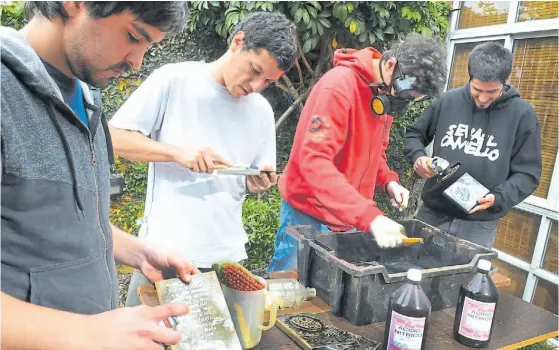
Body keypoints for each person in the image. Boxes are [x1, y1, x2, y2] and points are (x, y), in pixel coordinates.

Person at [1, 2, 201, 348]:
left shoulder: (86, 94)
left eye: (148, 46)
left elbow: (49, 216)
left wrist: (136, 251)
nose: (137, 61)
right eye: (133, 36)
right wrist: (86, 333)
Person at [108, 12, 298, 306]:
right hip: (165, 253)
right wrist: (178, 152)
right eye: (254, 70)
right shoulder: (176, 80)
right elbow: (114, 137)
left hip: (227, 257)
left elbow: (244, 182)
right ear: (238, 42)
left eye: (268, 81)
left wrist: (256, 182)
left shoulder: (260, 111)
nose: (256, 85)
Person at [266, 33, 448, 272]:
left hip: (347, 217)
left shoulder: (384, 95)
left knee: (327, 297)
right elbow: (313, 163)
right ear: (392, 65)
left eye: (413, 97)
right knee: (287, 290)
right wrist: (369, 217)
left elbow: (375, 153)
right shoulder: (339, 87)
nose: (404, 99)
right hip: (308, 214)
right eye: (404, 90)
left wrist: (388, 183)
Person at [404, 42, 542, 248]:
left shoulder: (522, 116)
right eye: (477, 90)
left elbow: (528, 174)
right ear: (469, 78)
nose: (483, 99)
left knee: (464, 280)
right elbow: (415, 133)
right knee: (414, 272)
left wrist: (499, 197)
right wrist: (418, 157)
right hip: (432, 212)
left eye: (492, 91)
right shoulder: (448, 101)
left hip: (478, 225)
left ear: (506, 81)